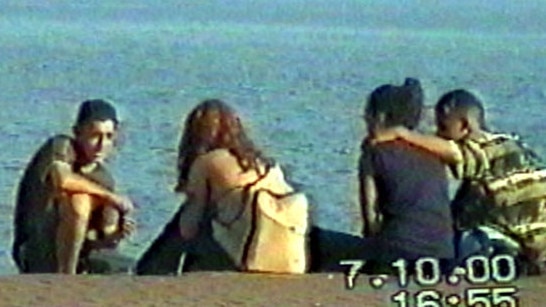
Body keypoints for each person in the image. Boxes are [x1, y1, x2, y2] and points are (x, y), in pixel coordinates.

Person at [371, 89, 546, 273]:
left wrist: (403, 134)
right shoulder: (509, 144)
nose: (438, 134)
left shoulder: (482, 147)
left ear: (464, 126)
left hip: (516, 241)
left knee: (464, 242)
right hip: (537, 236)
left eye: (443, 128)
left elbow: (453, 152)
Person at [136, 99, 309, 274]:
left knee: (193, 208)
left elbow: (188, 228)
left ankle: (151, 269)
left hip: (239, 247)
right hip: (285, 251)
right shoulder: (265, 163)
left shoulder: (207, 161)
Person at [13, 99, 135, 274]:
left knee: (128, 268)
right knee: (80, 201)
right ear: (78, 132)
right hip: (37, 247)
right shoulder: (61, 147)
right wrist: (110, 197)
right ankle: (66, 277)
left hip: (81, 255)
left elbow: (104, 235)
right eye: (95, 136)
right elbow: (63, 180)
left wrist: (117, 233)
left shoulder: (104, 178)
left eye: (108, 137)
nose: (101, 144)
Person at [357, 78, 455, 273]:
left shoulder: (374, 153)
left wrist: (370, 249)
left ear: (381, 117)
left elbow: (370, 214)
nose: (364, 118)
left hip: (398, 250)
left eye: (368, 113)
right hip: (443, 253)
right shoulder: (430, 148)